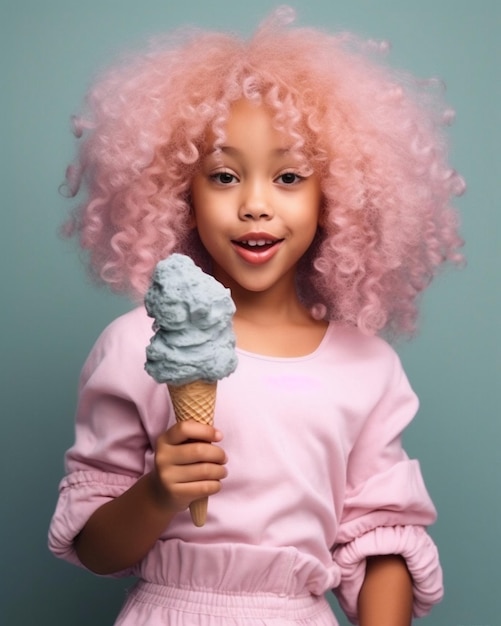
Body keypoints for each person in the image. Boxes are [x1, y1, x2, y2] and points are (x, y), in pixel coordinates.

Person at [48, 7, 464, 625]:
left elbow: (382, 540)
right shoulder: (136, 343)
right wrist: (159, 491)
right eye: (223, 175)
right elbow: (94, 546)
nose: (255, 206)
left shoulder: (368, 367)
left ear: (337, 195)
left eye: (290, 176)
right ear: (180, 192)